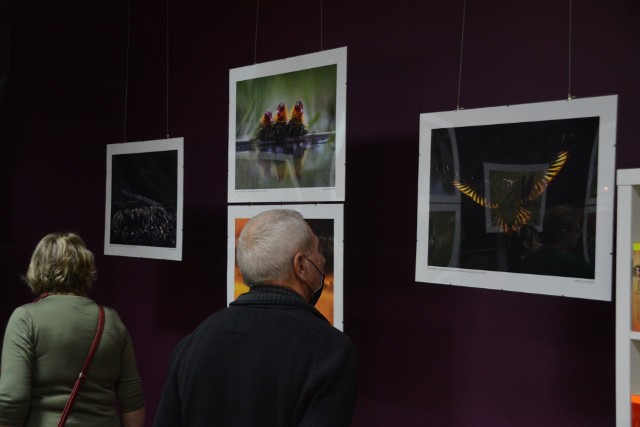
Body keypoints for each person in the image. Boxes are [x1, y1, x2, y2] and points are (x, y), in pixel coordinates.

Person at [154, 209, 358, 426]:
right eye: (317, 250)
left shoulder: (193, 342)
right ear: (301, 265)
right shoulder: (330, 351)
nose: (323, 258)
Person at [0, 232, 145, 427]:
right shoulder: (110, 320)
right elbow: (132, 402)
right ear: (85, 269)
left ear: (38, 268)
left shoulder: (25, 318)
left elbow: (13, 398)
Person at [519, 205, 594, 279]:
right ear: (564, 234)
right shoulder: (580, 268)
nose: (579, 235)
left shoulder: (527, 262)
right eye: (576, 231)